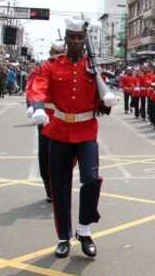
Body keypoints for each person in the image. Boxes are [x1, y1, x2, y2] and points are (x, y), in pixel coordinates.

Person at [27, 19, 118, 258]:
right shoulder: (52, 65)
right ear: (65, 39)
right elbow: (39, 84)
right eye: (71, 37)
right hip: (58, 130)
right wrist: (37, 105)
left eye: (79, 37)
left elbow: (103, 96)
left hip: (86, 130)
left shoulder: (93, 66)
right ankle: (63, 237)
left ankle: (85, 230)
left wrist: (107, 98)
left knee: (91, 179)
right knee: (60, 186)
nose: (75, 41)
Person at [28, 40, 66, 202]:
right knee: (45, 154)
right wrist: (34, 106)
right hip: (45, 118)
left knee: (64, 155)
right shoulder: (41, 70)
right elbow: (33, 88)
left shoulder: (69, 69)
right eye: (56, 53)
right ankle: (49, 188)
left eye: (61, 53)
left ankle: (61, 185)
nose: (58, 57)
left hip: (64, 119)